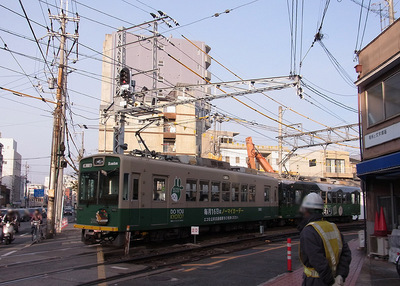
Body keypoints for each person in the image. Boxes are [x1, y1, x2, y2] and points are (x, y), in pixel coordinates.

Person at [298, 193, 351, 286]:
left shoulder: (308, 232)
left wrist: (331, 282)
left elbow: (318, 261)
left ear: (306, 211)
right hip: (335, 279)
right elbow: (346, 253)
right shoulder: (333, 227)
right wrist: (341, 275)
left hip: (316, 282)